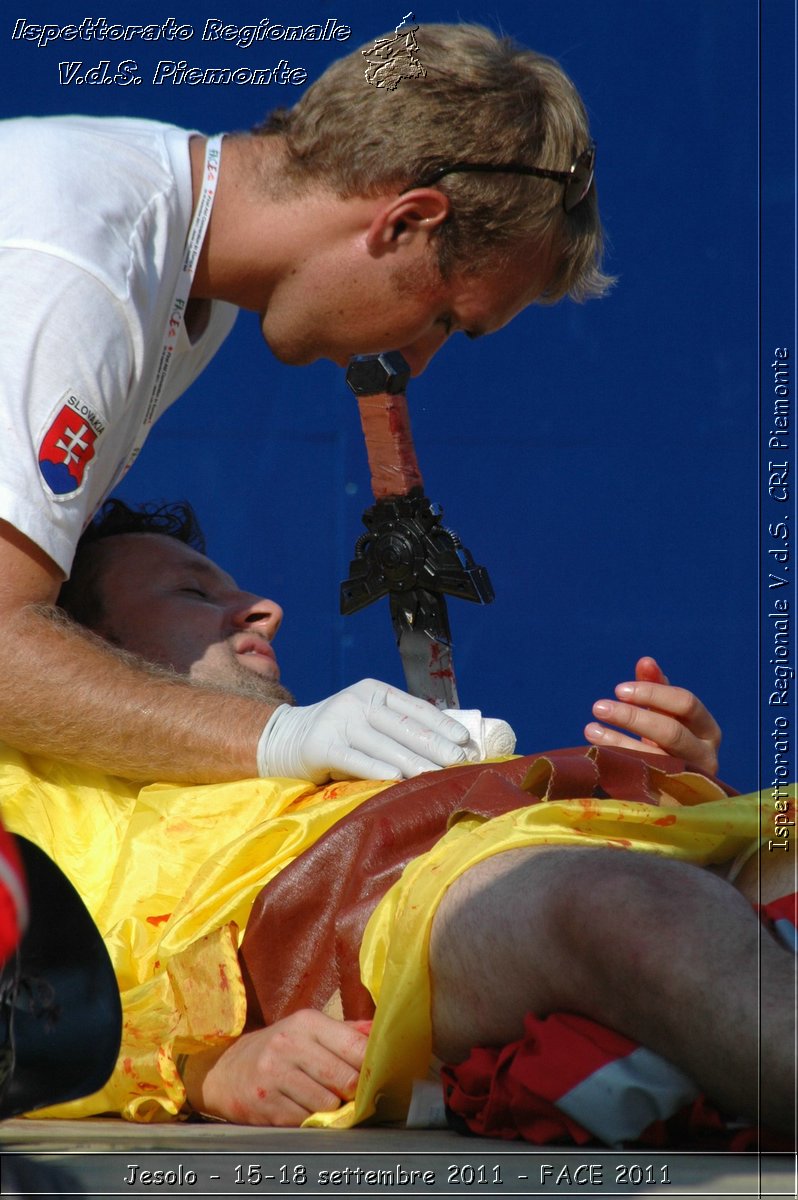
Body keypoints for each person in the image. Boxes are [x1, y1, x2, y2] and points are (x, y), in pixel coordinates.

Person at [3, 499, 787, 1144]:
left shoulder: (318, 748)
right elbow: (28, 1009)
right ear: (82, 647)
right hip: (355, 916)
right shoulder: (43, 785)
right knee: (626, 908)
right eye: (193, 594)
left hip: (514, 860)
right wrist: (203, 1065)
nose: (266, 610)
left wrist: (682, 791)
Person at [0, 23, 609, 792]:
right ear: (406, 223)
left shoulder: (185, 264)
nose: (418, 361)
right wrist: (283, 736)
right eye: (447, 319)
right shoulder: (76, 270)